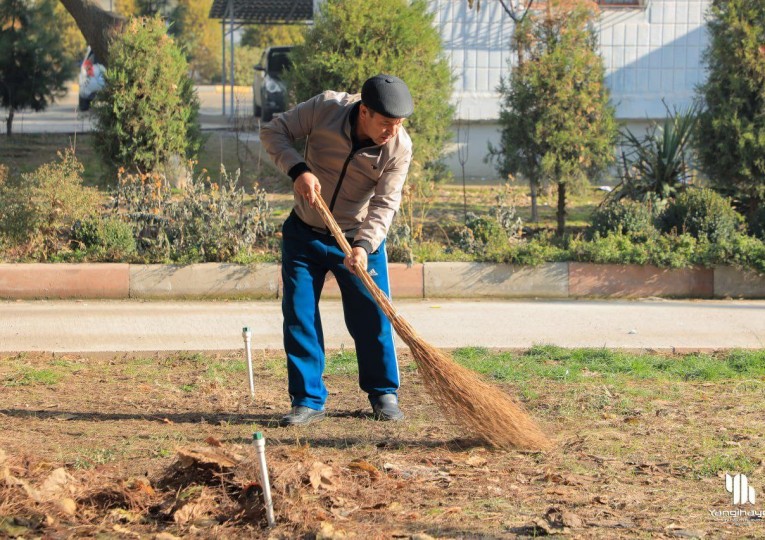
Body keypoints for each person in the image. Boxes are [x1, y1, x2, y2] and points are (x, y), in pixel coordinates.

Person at [260, 74, 414, 426]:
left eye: (399, 123)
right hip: (305, 233)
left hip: (358, 236)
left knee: (373, 316)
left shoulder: (398, 147)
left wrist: (363, 246)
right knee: (299, 316)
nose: (393, 130)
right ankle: (308, 400)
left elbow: (385, 203)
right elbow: (274, 131)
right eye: (386, 123)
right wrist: (297, 169)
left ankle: (383, 393)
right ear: (364, 111)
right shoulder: (325, 107)